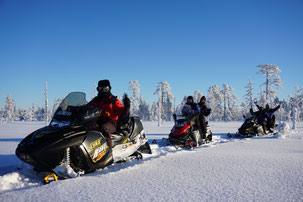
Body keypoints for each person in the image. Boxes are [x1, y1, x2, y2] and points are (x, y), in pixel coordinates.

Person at [88, 80, 130, 148]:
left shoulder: (113, 101)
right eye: (101, 89)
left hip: (110, 122)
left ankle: (108, 152)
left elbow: (121, 112)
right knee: (87, 127)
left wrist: (126, 107)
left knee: (104, 129)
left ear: (109, 88)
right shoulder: (95, 100)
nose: (103, 91)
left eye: (105, 89)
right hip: (96, 120)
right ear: (98, 89)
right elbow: (87, 107)